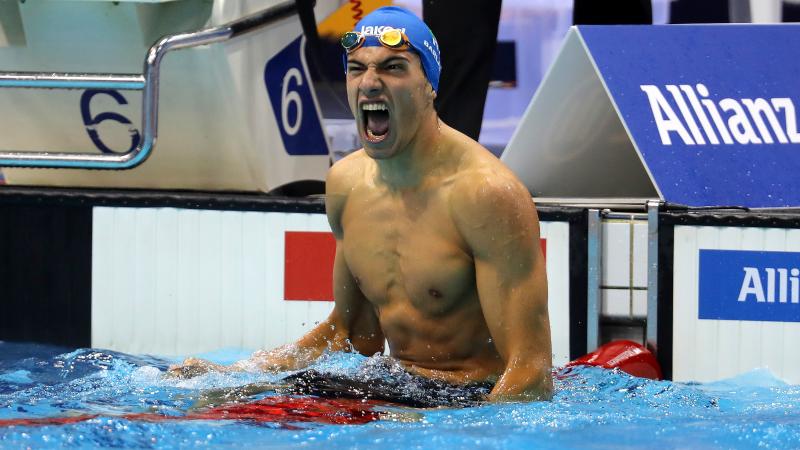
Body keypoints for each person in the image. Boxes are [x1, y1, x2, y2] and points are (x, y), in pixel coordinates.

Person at [171, 6, 552, 403]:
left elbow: (531, 372)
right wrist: (238, 374)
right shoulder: (346, 183)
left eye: (393, 67)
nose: (370, 83)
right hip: (394, 389)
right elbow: (352, 334)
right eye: (357, 68)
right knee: (210, 399)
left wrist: (449, 433)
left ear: (430, 85)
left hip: (467, 397)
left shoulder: (486, 194)